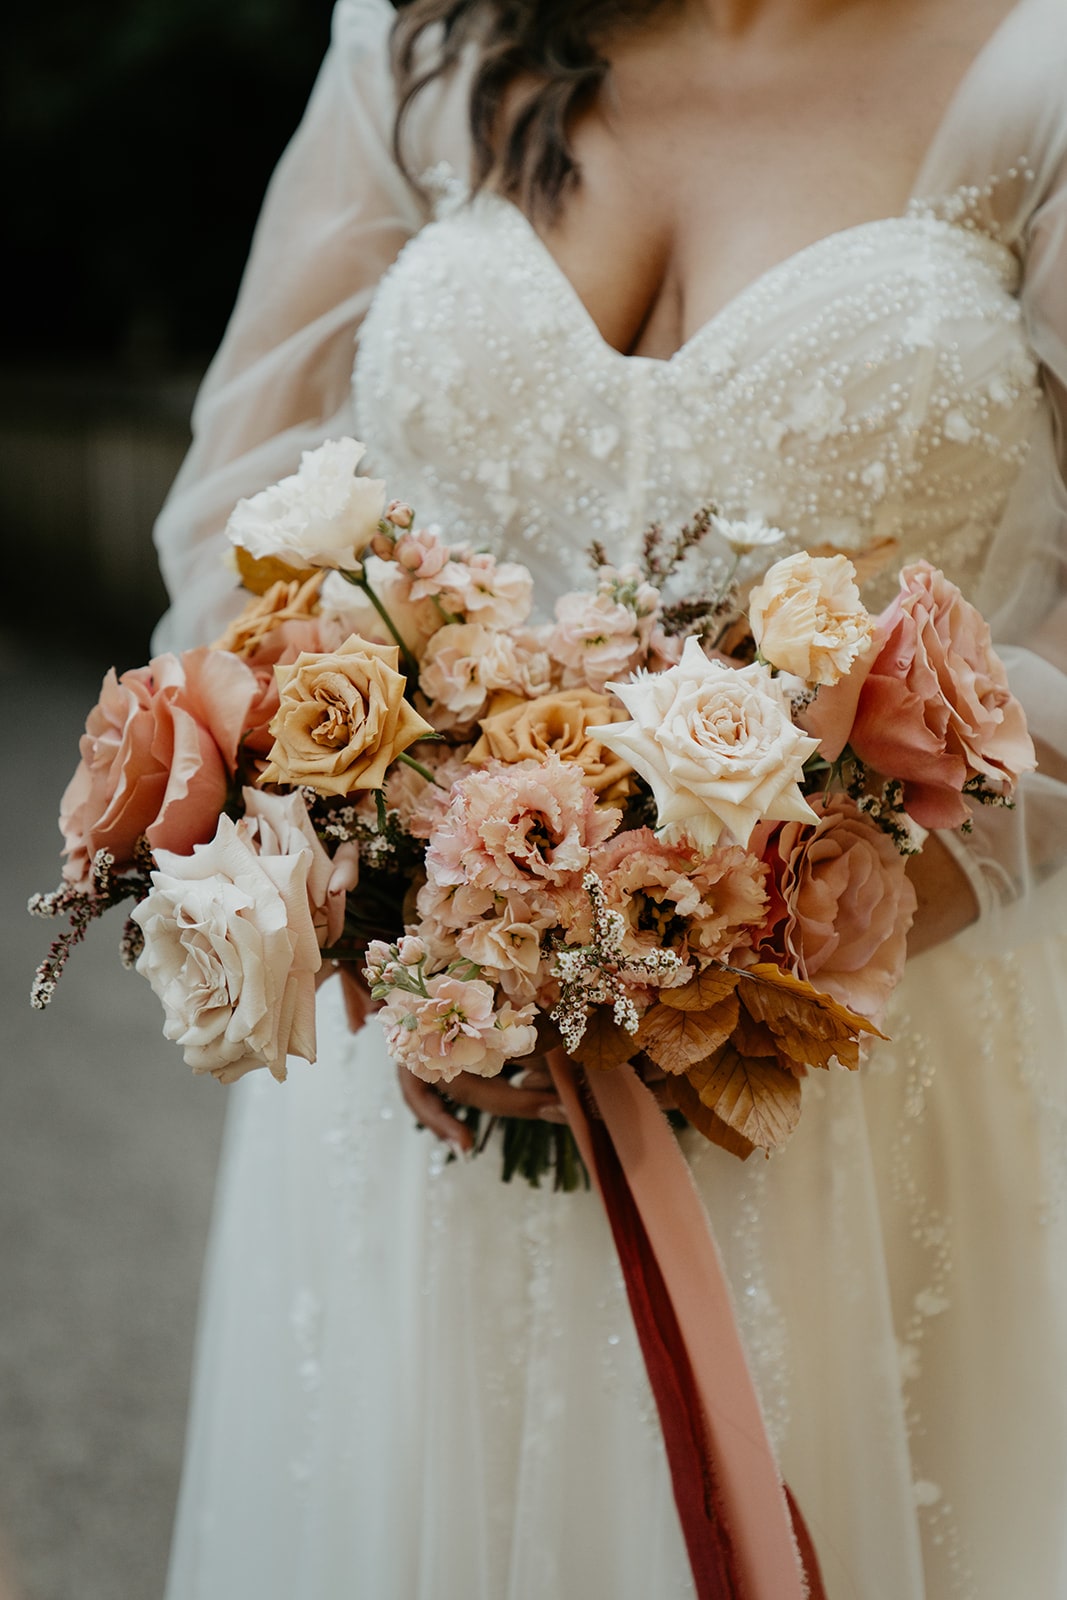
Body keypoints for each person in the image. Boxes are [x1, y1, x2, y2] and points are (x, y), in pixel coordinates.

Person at [153, 0, 1067, 1593]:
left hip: (871, 1094)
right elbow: (247, 500)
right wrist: (397, 903)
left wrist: (744, 943)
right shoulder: (422, 48)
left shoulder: (1036, 77)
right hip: (432, 1086)